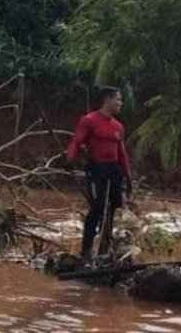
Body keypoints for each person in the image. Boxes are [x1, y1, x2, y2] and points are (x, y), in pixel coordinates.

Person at [66, 87, 132, 260]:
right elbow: (77, 140)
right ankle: (86, 249)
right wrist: (70, 159)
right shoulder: (89, 120)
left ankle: (105, 245)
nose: (120, 103)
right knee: (97, 207)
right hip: (97, 169)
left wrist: (127, 176)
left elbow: (122, 153)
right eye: (118, 99)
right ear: (107, 100)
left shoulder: (118, 126)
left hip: (114, 170)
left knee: (113, 206)